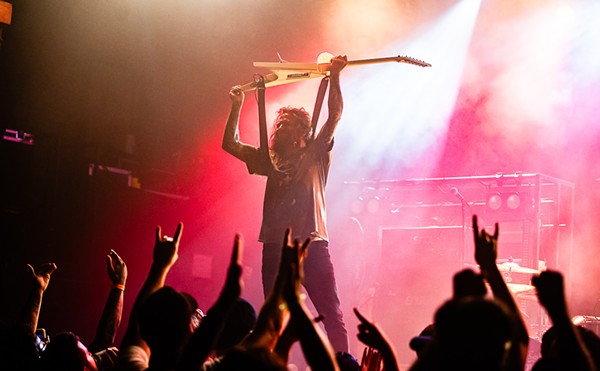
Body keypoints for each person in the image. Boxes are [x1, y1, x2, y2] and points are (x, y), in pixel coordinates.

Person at [222, 54, 349, 352]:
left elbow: (334, 116)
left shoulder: (316, 154)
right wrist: (237, 106)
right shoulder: (272, 160)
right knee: (271, 322)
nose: (287, 132)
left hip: (313, 246)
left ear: (304, 133)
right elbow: (230, 144)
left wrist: (335, 78)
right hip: (276, 248)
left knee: (331, 315)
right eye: (284, 127)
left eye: (293, 128)